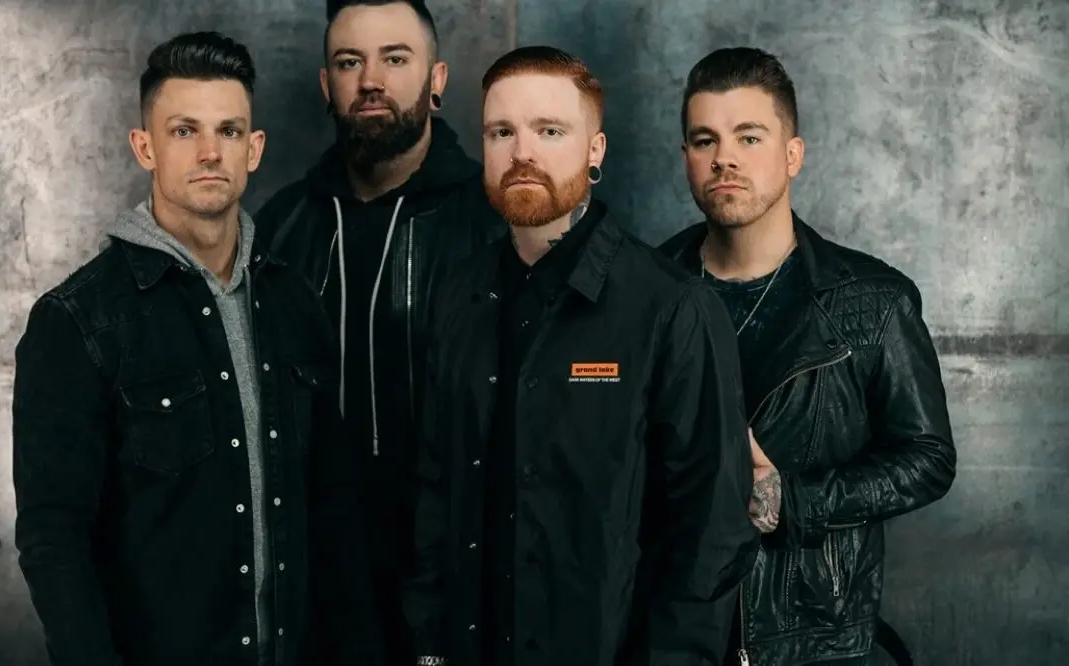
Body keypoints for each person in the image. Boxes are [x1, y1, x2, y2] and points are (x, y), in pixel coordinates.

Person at [11, 31, 376, 666]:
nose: (210, 152)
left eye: (229, 131)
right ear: (144, 147)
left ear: (253, 149)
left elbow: (334, 511)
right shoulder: (76, 321)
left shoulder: (294, 303)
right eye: (184, 131)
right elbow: (54, 542)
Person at [403, 45, 761, 666]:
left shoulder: (672, 309)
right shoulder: (458, 296)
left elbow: (711, 536)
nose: (522, 152)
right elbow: (436, 495)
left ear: (595, 150)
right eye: (501, 132)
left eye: (549, 131)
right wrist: (429, 648)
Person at [660, 46, 957, 665]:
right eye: (705, 140)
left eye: (749, 137)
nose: (725, 158)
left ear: (792, 155)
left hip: (811, 638)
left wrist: (790, 500)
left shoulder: (872, 300)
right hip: (673, 632)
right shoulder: (645, 291)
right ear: (686, 156)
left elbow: (928, 459)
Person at [253, 2, 505, 663]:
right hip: (315, 593)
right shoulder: (280, 228)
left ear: (436, 79)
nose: (371, 80)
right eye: (349, 62)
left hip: (459, 583)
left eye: (395, 59)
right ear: (326, 85)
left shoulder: (494, 223)